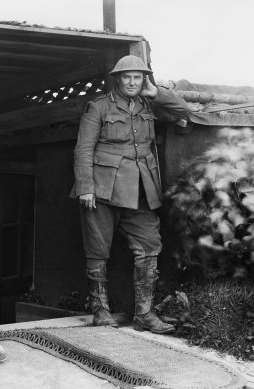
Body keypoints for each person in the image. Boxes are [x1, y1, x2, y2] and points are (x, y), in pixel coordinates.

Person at [72, 55, 190, 334]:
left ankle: (144, 315)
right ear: (117, 79)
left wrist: (156, 92)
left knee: (149, 245)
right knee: (98, 250)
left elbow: (183, 112)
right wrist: (86, 187)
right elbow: (83, 149)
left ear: (144, 80)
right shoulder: (98, 107)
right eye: (128, 77)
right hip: (102, 190)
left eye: (138, 77)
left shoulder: (149, 104)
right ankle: (100, 312)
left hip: (140, 190)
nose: (133, 82)